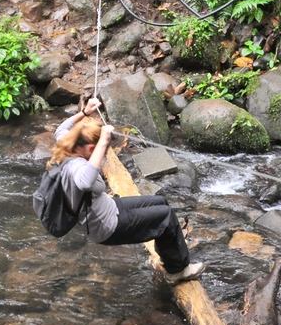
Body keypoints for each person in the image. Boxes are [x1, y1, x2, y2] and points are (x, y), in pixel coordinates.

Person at [49, 98, 205, 284]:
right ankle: (177, 271)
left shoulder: (68, 145)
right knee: (166, 216)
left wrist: (85, 112)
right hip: (107, 227)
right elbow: (84, 182)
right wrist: (103, 141)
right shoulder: (77, 167)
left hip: (108, 208)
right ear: (90, 148)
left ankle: (168, 254)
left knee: (161, 202)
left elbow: (61, 129)